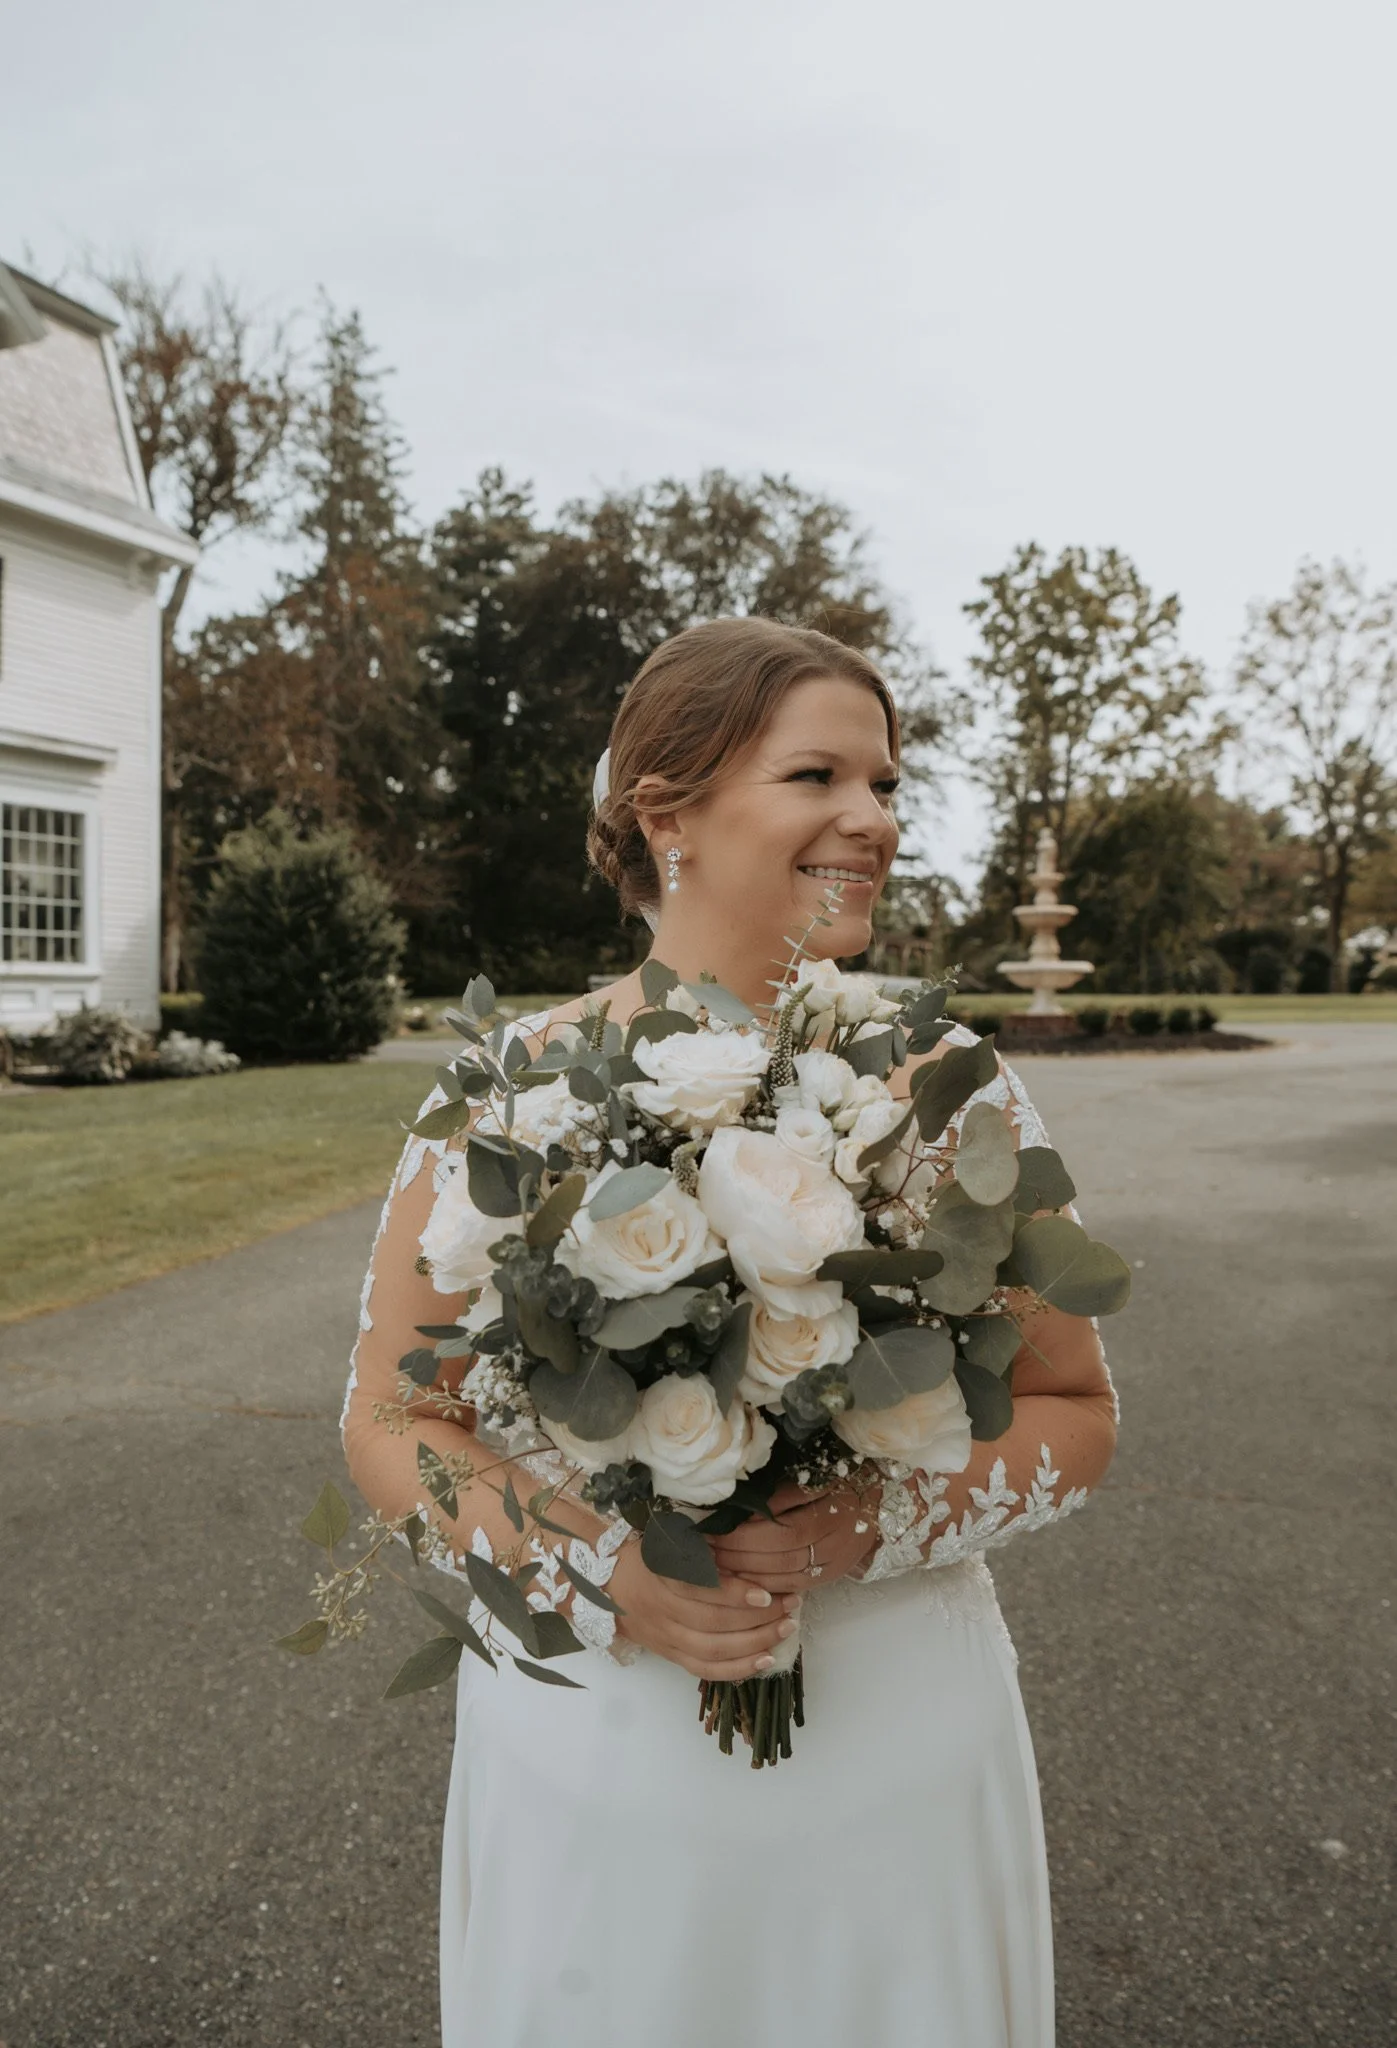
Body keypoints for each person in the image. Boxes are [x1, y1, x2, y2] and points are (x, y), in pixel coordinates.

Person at [342, 617, 1118, 2048]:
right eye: (821, 775)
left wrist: (865, 1527)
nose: (874, 821)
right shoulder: (506, 1098)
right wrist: (605, 1571)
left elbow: (1077, 1407)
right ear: (668, 812)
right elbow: (396, 1418)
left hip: (893, 1737)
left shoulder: (945, 1086)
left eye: (886, 784)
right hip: (598, 1737)